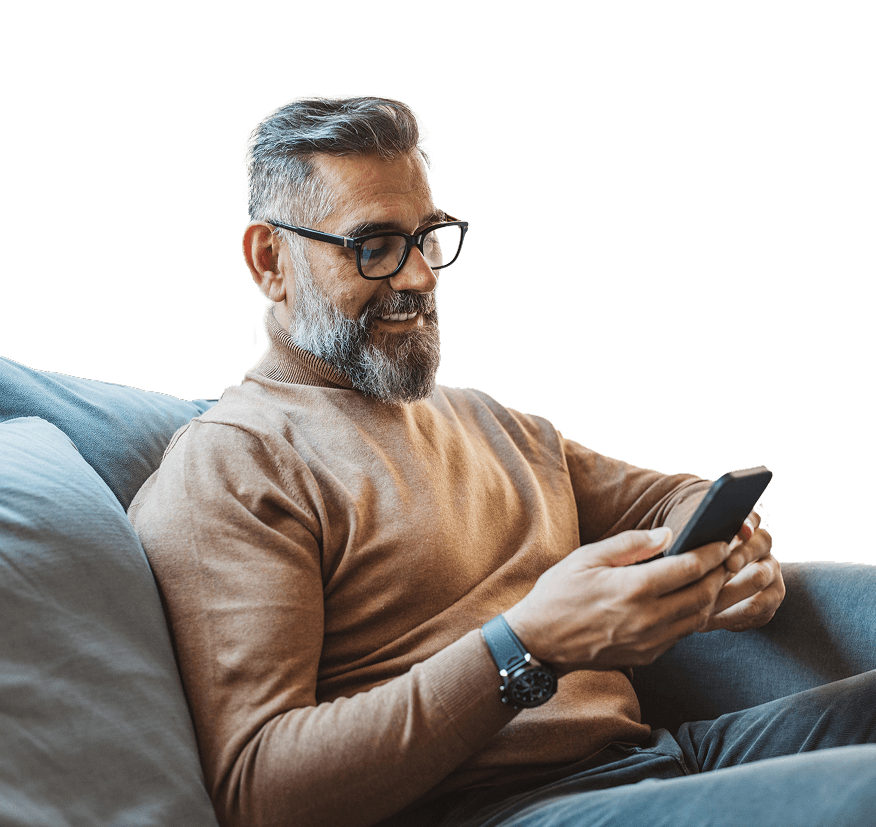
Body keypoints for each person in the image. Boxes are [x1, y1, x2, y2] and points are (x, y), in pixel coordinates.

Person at [127, 95, 875, 827]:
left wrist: (738, 545)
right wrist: (530, 645)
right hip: (506, 807)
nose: (421, 276)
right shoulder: (236, 463)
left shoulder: (482, 417)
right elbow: (260, 786)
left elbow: (671, 499)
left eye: (429, 236)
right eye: (374, 246)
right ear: (270, 261)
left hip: (663, 756)